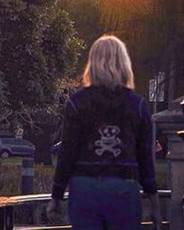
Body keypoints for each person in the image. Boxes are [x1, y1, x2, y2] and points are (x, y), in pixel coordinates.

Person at [46, 35, 161, 230]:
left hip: (85, 188)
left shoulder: (76, 103)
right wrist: (154, 202)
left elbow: (68, 153)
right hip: (124, 187)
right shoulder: (138, 106)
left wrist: (56, 196)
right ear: (124, 64)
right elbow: (145, 158)